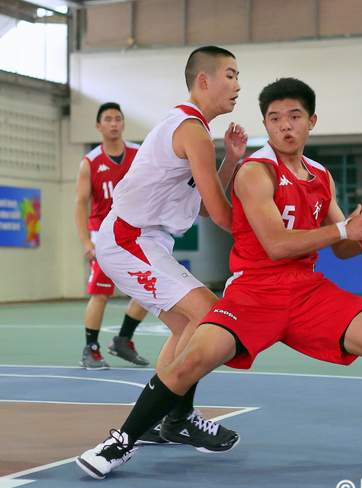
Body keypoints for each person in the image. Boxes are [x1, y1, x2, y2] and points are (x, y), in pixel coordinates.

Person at [76, 77, 362, 479]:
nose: (285, 125)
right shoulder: (255, 171)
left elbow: (342, 245)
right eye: (275, 118)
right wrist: (343, 231)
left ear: (311, 121)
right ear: (265, 126)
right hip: (253, 291)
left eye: (294, 117)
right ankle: (121, 443)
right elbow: (277, 245)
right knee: (192, 358)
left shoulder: (320, 175)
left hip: (307, 292)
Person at [78, 46, 248, 452]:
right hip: (127, 239)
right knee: (211, 314)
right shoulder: (191, 128)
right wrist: (270, 238)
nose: (238, 85)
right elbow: (222, 216)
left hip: (142, 240)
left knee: (190, 326)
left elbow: (206, 207)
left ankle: (167, 417)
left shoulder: (193, 129)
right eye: (230, 74)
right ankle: (179, 418)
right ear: (203, 81)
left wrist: (232, 161)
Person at [75, 102, 150, 369]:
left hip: (133, 233)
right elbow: (81, 204)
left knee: (150, 288)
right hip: (103, 236)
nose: (114, 123)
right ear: (98, 126)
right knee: (100, 293)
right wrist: (86, 242)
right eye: (108, 119)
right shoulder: (91, 162)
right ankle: (91, 348)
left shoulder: (138, 154)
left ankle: (123, 340)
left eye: (118, 119)